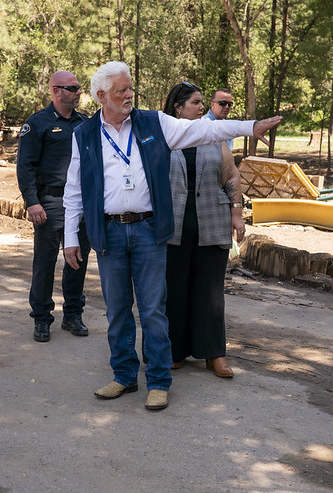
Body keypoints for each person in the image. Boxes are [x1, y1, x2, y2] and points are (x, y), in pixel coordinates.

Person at [62, 62, 281, 411]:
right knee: (117, 311)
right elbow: (74, 190)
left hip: (149, 231)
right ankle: (123, 376)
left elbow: (206, 131)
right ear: (102, 95)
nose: (130, 94)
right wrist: (71, 238)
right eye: (121, 90)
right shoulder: (84, 134)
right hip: (109, 233)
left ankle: (160, 381)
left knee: (153, 310)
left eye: (130, 87)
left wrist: (250, 127)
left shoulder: (154, 123)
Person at [164, 82, 247, 379]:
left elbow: (232, 176)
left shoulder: (213, 136)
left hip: (211, 222)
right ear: (178, 107)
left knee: (210, 293)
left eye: (202, 102)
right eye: (196, 102)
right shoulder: (162, 136)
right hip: (171, 227)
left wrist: (237, 214)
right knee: (174, 290)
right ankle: (174, 351)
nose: (202, 108)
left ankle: (215, 354)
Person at [17, 70, 92, 343]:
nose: (78, 92)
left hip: (81, 202)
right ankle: (41, 318)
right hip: (50, 201)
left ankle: (73, 314)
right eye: (72, 88)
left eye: (79, 87)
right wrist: (32, 202)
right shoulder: (38, 123)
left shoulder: (85, 123)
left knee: (77, 260)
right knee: (45, 262)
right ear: (55, 91)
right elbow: (25, 166)